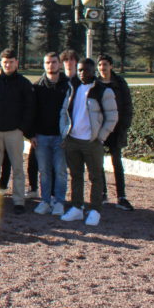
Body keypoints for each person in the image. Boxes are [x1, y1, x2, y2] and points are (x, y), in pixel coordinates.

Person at [59, 58, 118, 226]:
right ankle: (77, 208)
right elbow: (64, 111)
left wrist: (100, 137)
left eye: (85, 70)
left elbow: (112, 117)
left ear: (93, 71)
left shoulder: (103, 91)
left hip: (92, 142)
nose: (82, 73)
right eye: (79, 70)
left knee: (96, 177)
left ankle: (95, 210)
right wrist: (65, 133)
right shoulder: (73, 88)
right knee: (76, 176)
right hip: (73, 140)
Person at [0, 49, 35, 214]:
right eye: (5, 62)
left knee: (18, 168)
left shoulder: (24, 83)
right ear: (1, 63)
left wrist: (22, 129)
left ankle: (18, 201)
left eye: (11, 62)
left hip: (15, 132)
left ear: (16, 63)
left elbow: (29, 108)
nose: (8, 64)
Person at [31, 52, 71, 216]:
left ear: (59, 64)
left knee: (61, 171)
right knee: (44, 171)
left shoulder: (68, 86)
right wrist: (31, 134)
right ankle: (45, 201)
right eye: (47, 62)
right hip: (41, 136)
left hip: (60, 137)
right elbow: (32, 111)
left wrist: (67, 135)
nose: (51, 65)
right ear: (44, 65)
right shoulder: (37, 86)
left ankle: (59, 201)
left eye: (54, 62)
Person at [96, 54, 134, 210]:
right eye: (99, 65)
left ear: (111, 66)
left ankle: (121, 196)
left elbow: (127, 106)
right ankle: (102, 193)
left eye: (105, 64)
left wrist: (123, 126)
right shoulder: (95, 83)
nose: (102, 67)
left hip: (116, 129)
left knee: (117, 162)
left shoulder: (120, 83)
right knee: (98, 163)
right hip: (99, 129)